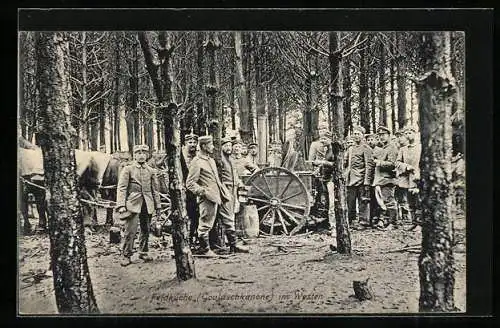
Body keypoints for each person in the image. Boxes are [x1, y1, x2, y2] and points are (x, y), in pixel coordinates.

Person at [117, 144, 162, 267]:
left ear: (147, 155)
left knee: (146, 229)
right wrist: (121, 205)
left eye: (143, 153)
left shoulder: (151, 171)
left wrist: (158, 206)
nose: (141, 155)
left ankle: (143, 251)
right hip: (133, 203)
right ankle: (126, 255)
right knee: (130, 230)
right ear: (134, 155)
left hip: (147, 204)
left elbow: (155, 190)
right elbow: (122, 188)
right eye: (138, 153)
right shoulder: (128, 169)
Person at [186, 136, 231, 257]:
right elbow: (190, 183)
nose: (213, 147)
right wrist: (203, 192)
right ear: (204, 146)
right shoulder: (196, 161)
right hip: (207, 198)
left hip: (218, 195)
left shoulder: (210, 160)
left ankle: (233, 245)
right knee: (205, 224)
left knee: (227, 220)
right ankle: (205, 250)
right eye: (210, 145)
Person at [219, 137, 250, 253]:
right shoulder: (220, 160)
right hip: (225, 190)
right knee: (227, 216)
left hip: (233, 189)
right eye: (225, 146)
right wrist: (224, 191)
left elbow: (235, 175)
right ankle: (233, 244)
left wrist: (240, 183)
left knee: (231, 215)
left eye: (229, 146)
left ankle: (233, 244)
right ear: (221, 147)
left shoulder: (230, 159)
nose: (228, 148)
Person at [344, 126, 373, 229]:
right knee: (350, 201)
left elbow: (369, 166)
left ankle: (363, 222)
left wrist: (367, 182)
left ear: (362, 135)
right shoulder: (350, 148)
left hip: (361, 179)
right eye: (354, 134)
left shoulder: (366, 149)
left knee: (363, 201)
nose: (356, 136)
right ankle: (350, 220)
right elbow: (345, 162)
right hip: (350, 179)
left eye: (358, 134)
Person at [372, 126, 399, 230]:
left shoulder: (392, 147)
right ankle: (386, 220)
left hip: (388, 179)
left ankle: (393, 223)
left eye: (383, 135)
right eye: (379, 135)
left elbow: (393, 164)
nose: (381, 137)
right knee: (382, 202)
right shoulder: (381, 148)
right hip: (380, 179)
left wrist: (380, 162)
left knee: (389, 201)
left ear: (389, 135)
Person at [398, 127, 422, 231]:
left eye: (410, 133)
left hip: (419, 178)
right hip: (407, 179)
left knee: (419, 201)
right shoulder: (403, 149)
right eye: (406, 133)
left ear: (415, 134)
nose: (408, 135)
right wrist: (406, 167)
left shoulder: (421, 147)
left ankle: (420, 223)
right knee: (410, 201)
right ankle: (413, 223)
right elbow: (397, 162)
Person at [180, 133, 199, 247]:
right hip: (184, 190)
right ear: (185, 144)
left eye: (194, 143)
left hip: (196, 189)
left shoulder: (197, 157)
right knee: (186, 215)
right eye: (189, 143)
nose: (192, 145)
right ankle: (187, 240)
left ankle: (195, 237)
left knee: (196, 215)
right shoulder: (181, 158)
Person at [365, 133, 379, 228]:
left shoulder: (379, 151)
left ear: (376, 140)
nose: (370, 142)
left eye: (372, 139)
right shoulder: (366, 151)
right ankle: (370, 219)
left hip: (378, 178)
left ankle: (378, 218)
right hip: (369, 178)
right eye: (368, 140)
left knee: (378, 200)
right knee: (369, 200)